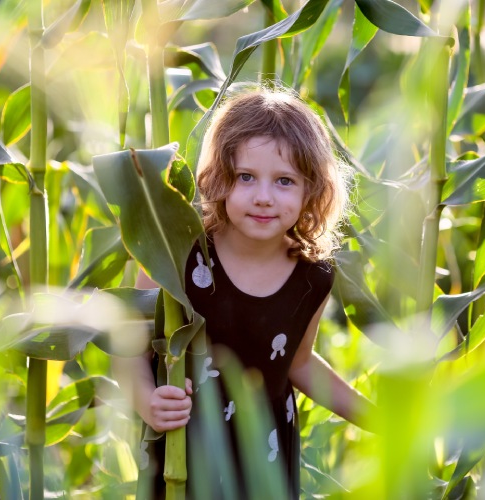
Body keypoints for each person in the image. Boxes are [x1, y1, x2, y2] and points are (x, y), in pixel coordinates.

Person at [115, 84, 376, 499]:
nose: (263, 198)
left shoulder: (314, 275)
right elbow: (124, 342)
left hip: (265, 458)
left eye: (285, 181)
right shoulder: (176, 252)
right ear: (219, 178)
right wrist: (147, 399)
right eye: (245, 177)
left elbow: (299, 362)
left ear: (313, 190)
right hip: (183, 456)